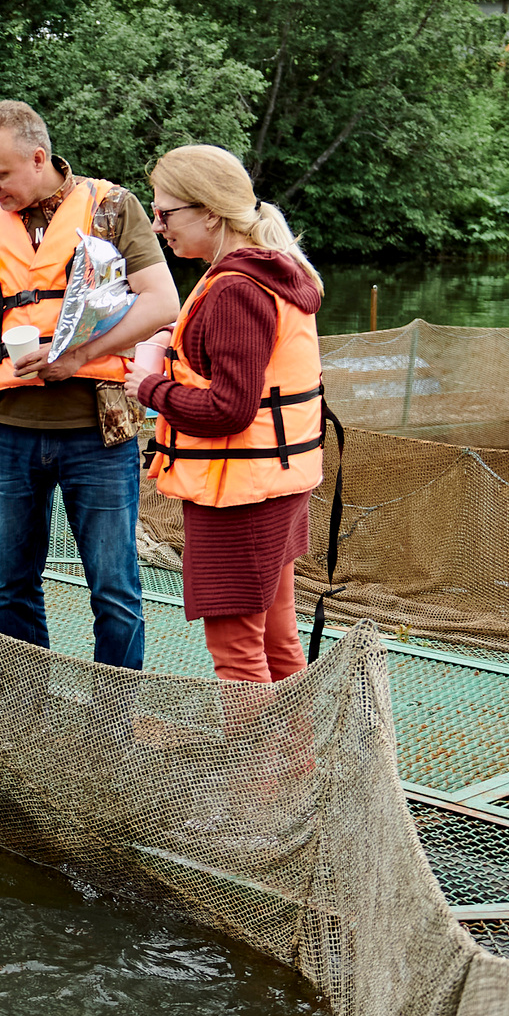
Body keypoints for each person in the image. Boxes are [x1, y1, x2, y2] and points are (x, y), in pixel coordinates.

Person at [0, 102, 179, 670]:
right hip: (10, 433)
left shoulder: (112, 207)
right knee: (12, 585)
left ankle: (112, 715)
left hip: (98, 434)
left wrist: (78, 357)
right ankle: (27, 707)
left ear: (38, 158)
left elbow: (161, 302)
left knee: (114, 589)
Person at [124, 143, 325, 686]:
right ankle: (296, 742)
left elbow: (229, 410)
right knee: (278, 640)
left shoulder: (235, 289)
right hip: (276, 485)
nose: (158, 226)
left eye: (165, 213)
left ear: (210, 212)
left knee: (237, 654)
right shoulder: (268, 271)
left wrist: (149, 388)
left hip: (238, 497)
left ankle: (251, 748)